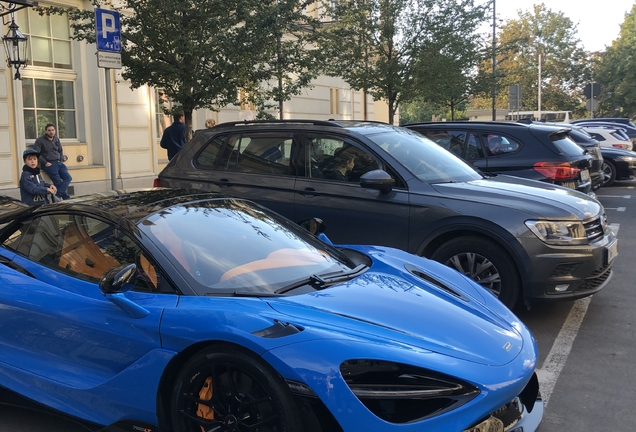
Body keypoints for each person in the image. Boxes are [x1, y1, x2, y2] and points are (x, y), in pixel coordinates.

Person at [33, 123, 72, 200]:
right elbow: (36, 154)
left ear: (55, 131)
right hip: (49, 164)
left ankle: (57, 196)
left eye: (53, 130)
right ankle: (67, 199)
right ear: (45, 131)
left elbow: (60, 150)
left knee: (68, 178)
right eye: (49, 130)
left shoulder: (56, 139)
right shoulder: (40, 140)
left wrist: (61, 160)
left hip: (59, 163)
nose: (51, 132)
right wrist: (45, 162)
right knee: (58, 182)